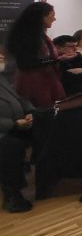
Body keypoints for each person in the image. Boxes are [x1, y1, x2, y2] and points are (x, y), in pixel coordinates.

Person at [4, 2, 67, 107]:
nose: (54, 19)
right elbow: (26, 63)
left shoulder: (40, 35)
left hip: (46, 81)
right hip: (34, 84)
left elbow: (44, 56)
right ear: (41, 17)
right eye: (52, 15)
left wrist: (61, 55)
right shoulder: (26, 36)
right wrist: (57, 60)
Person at [0, 75, 36, 212]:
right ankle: (11, 195)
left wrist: (30, 111)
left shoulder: (1, 78)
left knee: (45, 127)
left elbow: (20, 98)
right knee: (11, 146)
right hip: (5, 130)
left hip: (18, 125)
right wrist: (13, 124)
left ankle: (51, 173)